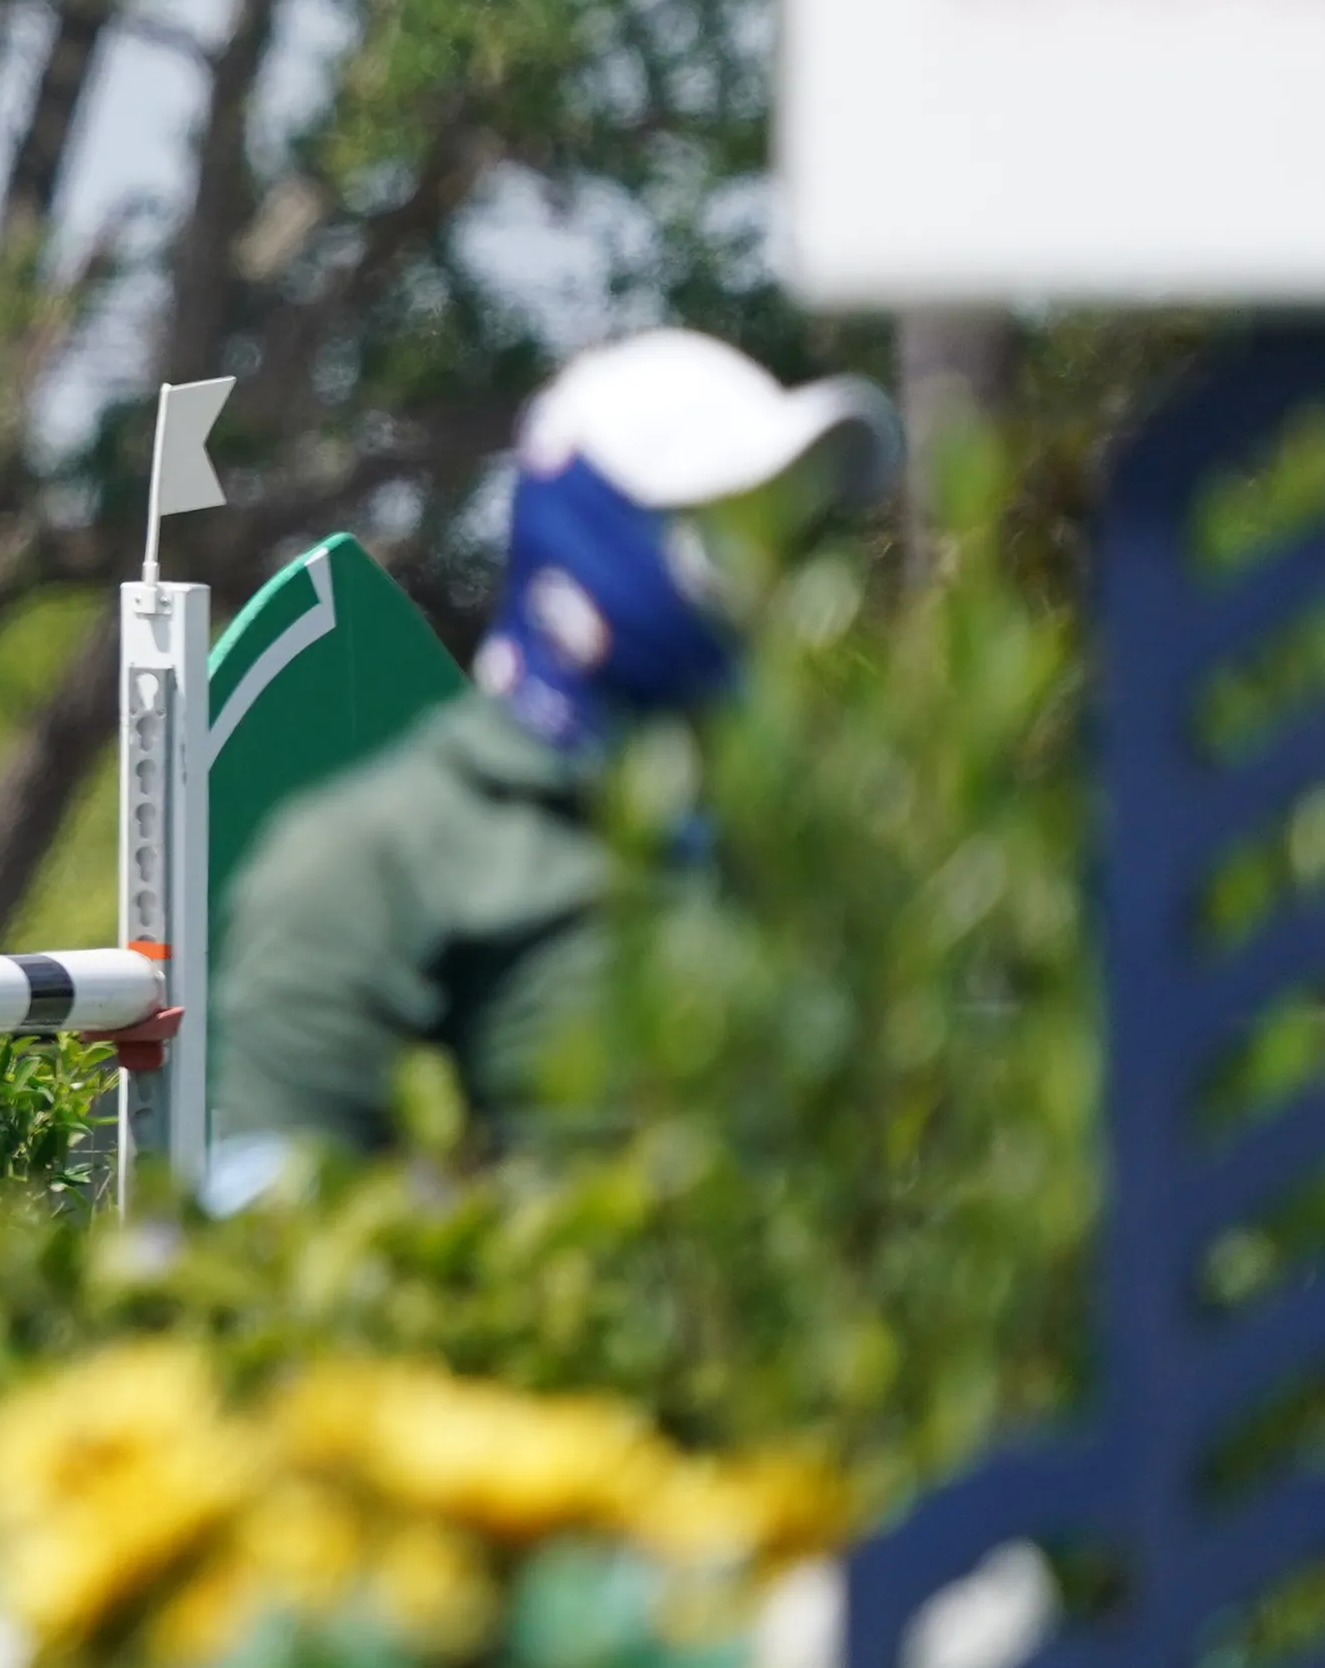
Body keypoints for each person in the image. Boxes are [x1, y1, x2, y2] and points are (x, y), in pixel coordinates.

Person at [205, 328, 898, 1195]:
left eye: (790, 532)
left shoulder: (820, 855)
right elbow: (278, 1265)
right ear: (593, 531)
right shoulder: (367, 861)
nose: (772, 570)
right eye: (727, 523)